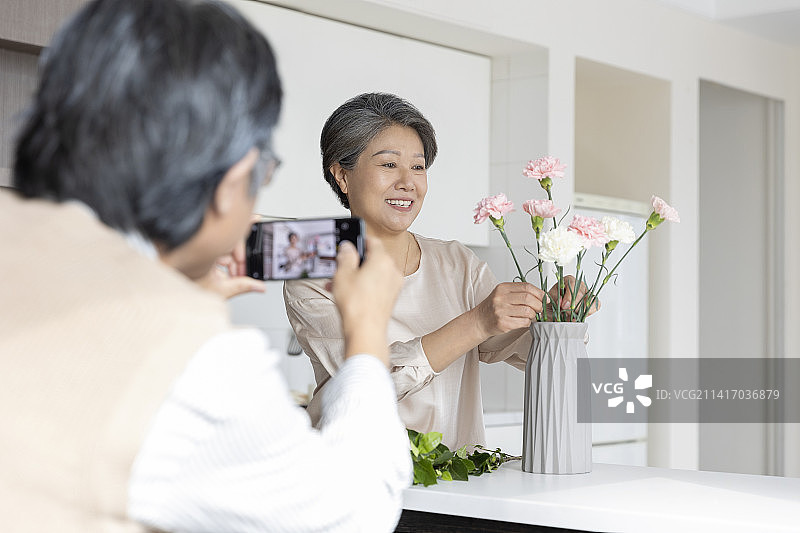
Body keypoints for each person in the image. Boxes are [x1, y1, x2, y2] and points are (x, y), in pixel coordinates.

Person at [0, 2, 409, 532]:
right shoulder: (196, 363)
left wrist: (175, 293)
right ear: (233, 179)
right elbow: (353, 515)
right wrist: (368, 333)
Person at [284, 93, 596, 450]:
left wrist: (556, 318)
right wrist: (477, 322)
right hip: (359, 476)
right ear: (341, 175)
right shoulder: (313, 275)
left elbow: (518, 351)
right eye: (388, 165)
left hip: (457, 481)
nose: (407, 182)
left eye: (418, 167)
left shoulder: (455, 262)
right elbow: (365, 385)